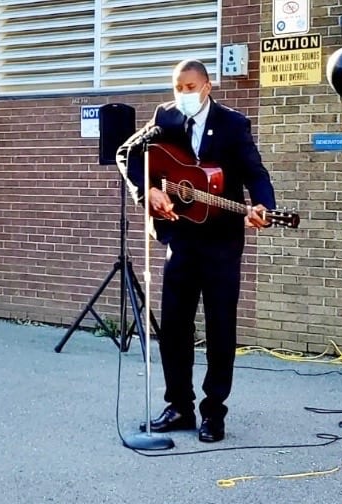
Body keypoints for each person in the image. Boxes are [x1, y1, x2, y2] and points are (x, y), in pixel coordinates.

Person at [116, 59, 276, 443]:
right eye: (178, 87)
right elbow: (127, 154)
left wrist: (262, 205)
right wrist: (148, 190)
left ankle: (214, 412)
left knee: (220, 328)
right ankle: (180, 406)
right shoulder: (165, 117)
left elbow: (256, 172)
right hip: (181, 240)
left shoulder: (234, 124)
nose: (183, 94)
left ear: (207, 87)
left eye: (190, 87)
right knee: (174, 328)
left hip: (221, 243)